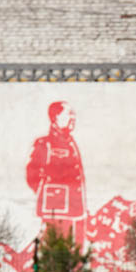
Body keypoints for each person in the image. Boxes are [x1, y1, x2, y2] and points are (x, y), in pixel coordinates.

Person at [25, 100, 86, 246]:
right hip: (56, 210)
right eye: (68, 114)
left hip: (75, 208)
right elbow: (32, 173)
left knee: (75, 249)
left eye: (73, 114)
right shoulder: (45, 143)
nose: (73, 118)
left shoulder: (71, 142)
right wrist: (50, 194)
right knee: (56, 248)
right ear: (55, 118)